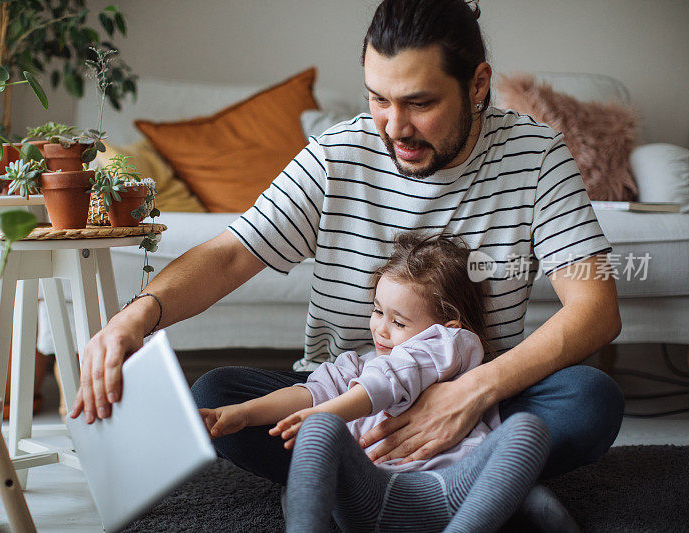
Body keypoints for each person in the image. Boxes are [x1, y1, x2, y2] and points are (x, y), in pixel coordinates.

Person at [71, 0, 623, 522]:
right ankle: (476, 486)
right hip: (339, 402)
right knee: (217, 396)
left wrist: (469, 393)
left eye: (420, 103)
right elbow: (232, 255)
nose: (395, 127)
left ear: (478, 85)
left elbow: (595, 308)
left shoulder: (536, 155)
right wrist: (133, 318)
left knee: (590, 399)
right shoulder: (338, 155)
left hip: (478, 401)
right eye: (378, 99)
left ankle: (366, 488)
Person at [199, 232, 564, 531]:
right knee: (318, 428)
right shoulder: (356, 365)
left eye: (399, 322)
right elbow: (308, 394)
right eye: (377, 311)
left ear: (448, 326)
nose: (381, 329)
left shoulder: (454, 347)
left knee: (527, 430)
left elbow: (395, 376)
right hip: (370, 494)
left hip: (453, 489)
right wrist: (244, 413)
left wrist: (330, 410)